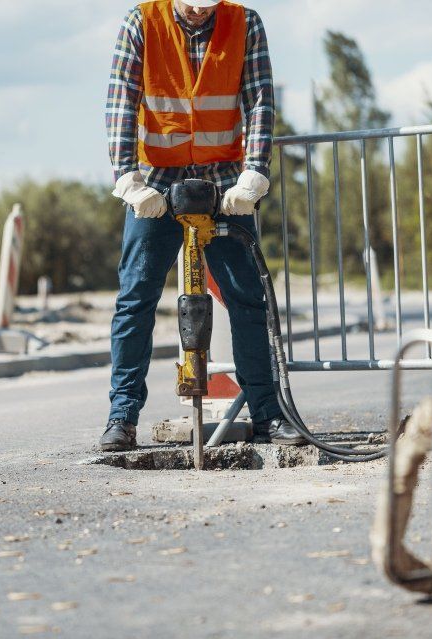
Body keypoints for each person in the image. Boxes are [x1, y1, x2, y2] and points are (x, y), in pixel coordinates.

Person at [101, 0, 307, 451]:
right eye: (192, 7)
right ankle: (122, 418)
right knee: (135, 300)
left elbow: (258, 100)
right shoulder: (143, 22)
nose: (199, 14)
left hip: (224, 182)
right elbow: (122, 99)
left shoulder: (245, 22)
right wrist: (127, 179)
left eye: (207, 6)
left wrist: (255, 171)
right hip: (156, 182)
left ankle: (269, 416)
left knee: (249, 300)